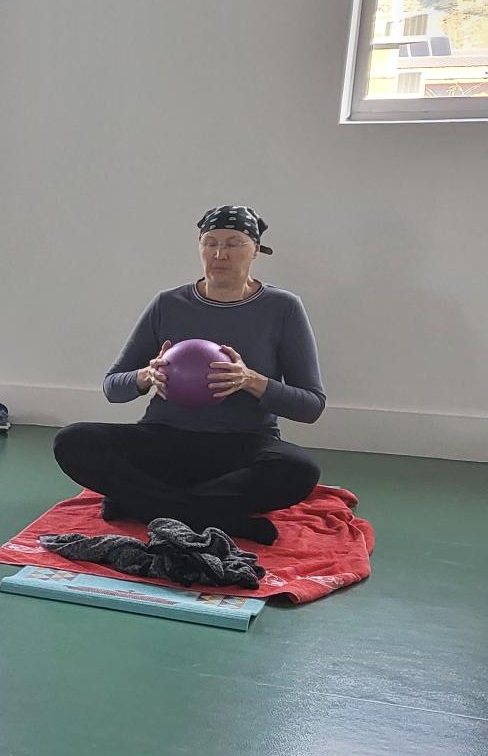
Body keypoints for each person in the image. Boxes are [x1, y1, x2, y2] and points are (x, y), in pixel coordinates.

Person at [53, 206, 325, 545]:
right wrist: (147, 375)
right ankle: (219, 517)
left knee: (299, 469)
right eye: (210, 243)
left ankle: (146, 505)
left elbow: (311, 405)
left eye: (233, 243)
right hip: (165, 439)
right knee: (72, 441)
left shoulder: (283, 307)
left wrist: (249, 380)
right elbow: (113, 386)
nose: (220, 254)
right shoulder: (168, 304)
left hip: (241, 445)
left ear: (255, 250)